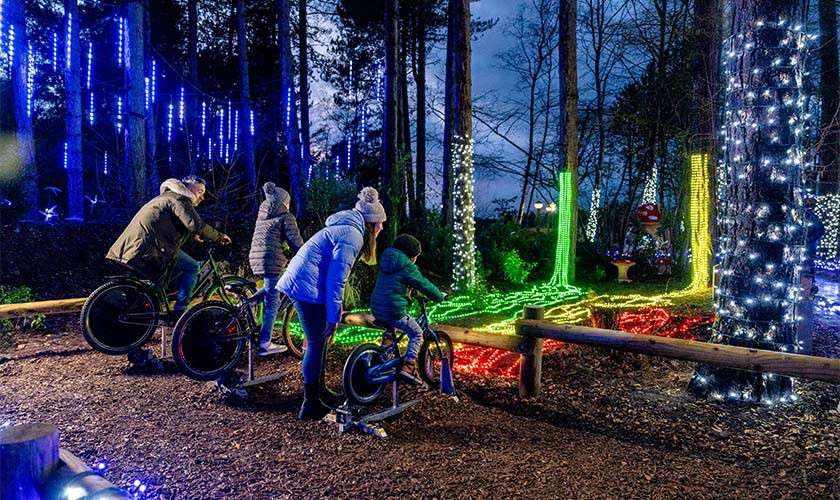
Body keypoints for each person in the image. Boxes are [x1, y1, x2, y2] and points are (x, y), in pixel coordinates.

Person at [277, 187, 386, 420]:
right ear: (371, 223)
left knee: (319, 341)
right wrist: (334, 316)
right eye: (380, 224)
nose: (381, 228)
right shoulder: (353, 235)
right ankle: (311, 404)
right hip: (305, 288)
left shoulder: (346, 228)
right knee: (316, 342)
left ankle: (320, 390)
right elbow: (337, 279)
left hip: (303, 283)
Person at [106, 176, 231, 317]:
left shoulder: (167, 197)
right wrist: (219, 236)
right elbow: (195, 224)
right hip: (150, 247)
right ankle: (180, 312)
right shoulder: (179, 199)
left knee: (169, 273)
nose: (202, 197)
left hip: (137, 245)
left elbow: (171, 224)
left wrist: (193, 235)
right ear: (188, 188)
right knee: (192, 267)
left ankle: (156, 299)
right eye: (200, 191)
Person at [370, 234, 445, 384]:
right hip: (393, 309)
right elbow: (423, 284)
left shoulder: (387, 261)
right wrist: (439, 296)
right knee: (417, 333)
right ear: (411, 256)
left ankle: (385, 351)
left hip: (377, 307)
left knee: (392, 326)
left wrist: (414, 293)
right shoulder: (406, 266)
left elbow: (397, 283)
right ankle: (409, 366)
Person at [248, 182, 305, 356]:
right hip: (272, 261)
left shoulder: (263, 215)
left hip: (256, 259)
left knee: (270, 289)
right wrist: (305, 253)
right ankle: (265, 343)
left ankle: (247, 303)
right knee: (273, 301)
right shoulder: (286, 216)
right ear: (284, 202)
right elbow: (295, 241)